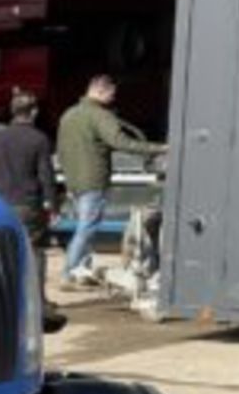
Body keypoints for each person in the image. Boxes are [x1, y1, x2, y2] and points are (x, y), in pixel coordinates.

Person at [56, 73, 165, 285]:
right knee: (87, 228)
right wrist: (157, 148)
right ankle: (69, 273)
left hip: (74, 180)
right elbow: (121, 142)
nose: (113, 99)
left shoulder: (68, 115)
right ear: (100, 90)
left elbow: (61, 149)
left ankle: (81, 271)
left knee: (84, 225)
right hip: (94, 180)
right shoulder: (100, 116)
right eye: (111, 94)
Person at [0, 90, 66, 332]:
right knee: (36, 253)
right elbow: (45, 175)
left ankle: (3, 300)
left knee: (3, 253)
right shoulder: (38, 139)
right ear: (34, 112)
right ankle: (37, 301)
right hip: (27, 204)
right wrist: (52, 204)